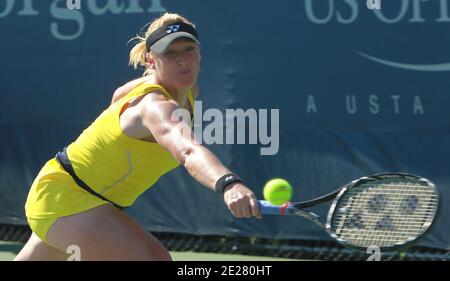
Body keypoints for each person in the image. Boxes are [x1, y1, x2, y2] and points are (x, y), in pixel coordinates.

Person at [15, 13, 261, 261]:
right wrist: (228, 183)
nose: (183, 61)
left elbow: (118, 97)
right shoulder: (155, 106)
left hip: (78, 199)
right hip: (68, 197)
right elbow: (187, 150)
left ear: (199, 52)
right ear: (150, 59)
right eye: (170, 53)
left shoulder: (186, 91)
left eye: (189, 49)